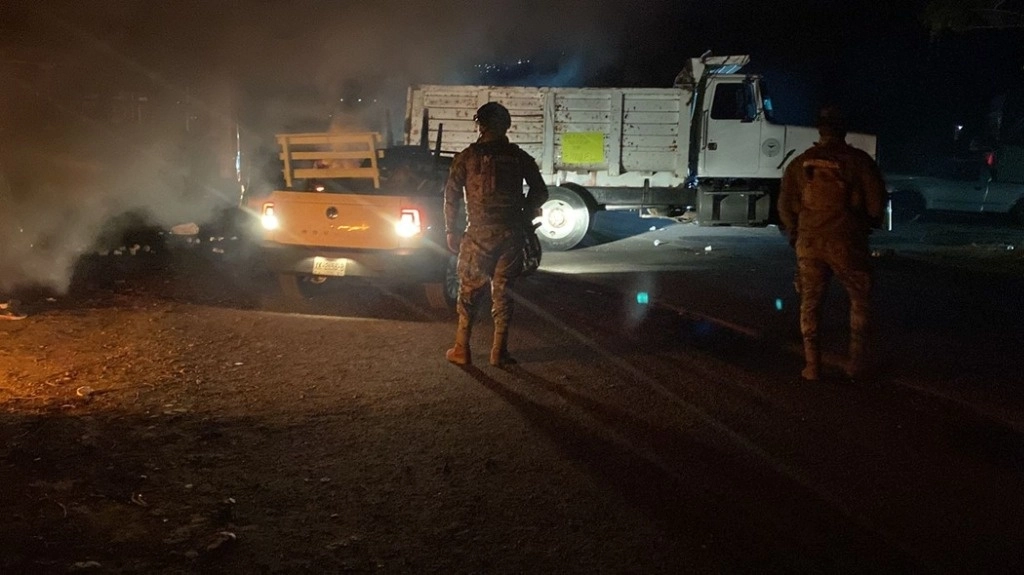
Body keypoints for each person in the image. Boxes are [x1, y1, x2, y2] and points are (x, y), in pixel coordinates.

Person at [778, 105, 887, 382]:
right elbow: (875, 206)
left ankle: (812, 366)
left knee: (810, 303)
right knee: (860, 299)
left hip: (809, 243)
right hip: (846, 242)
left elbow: (785, 205)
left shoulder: (799, 164)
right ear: (844, 129)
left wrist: (796, 231)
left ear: (819, 129)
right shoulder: (859, 161)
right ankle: (855, 363)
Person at [443, 102, 549, 367]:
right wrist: (524, 214)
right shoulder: (519, 157)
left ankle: (461, 349)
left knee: (468, 293)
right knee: (503, 293)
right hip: (511, 235)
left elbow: (451, 196)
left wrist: (450, 230)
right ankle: (498, 352)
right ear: (505, 125)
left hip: (477, 235)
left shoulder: (467, 156)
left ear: (481, 125)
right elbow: (541, 192)